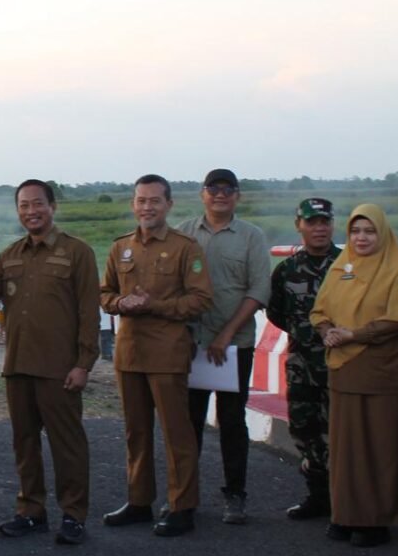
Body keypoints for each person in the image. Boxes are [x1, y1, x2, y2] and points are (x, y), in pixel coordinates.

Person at [0, 179, 99, 544]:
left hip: (60, 368)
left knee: (68, 445)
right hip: (18, 367)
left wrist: (83, 364)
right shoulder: (10, 254)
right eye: (24, 206)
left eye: (38, 204)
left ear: (53, 207)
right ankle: (31, 511)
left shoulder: (77, 252)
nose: (31, 212)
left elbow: (89, 314)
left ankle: (73, 515)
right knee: (24, 444)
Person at [100, 174, 212, 538]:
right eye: (141, 200)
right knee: (136, 432)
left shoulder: (186, 247)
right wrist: (120, 303)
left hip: (167, 354)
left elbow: (200, 300)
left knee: (177, 433)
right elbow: (104, 293)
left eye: (154, 201)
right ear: (133, 204)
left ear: (169, 205)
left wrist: (155, 305)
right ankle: (139, 501)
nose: (147, 207)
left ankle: (182, 506)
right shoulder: (120, 248)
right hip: (130, 352)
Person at [310, 204, 398, 548]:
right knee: (346, 449)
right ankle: (346, 514)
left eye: (369, 231)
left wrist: (353, 335)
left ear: (383, 233)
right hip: (344, 372)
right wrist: (327, 329)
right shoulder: (341, 267)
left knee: (380, 448)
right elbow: (321, 309)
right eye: (356, 231)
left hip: (383, 375)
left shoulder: (397, 270)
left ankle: (376, 520)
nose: (361, 238)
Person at [175, 168, 270, 525]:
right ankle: (184, 496)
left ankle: (235, 496)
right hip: (191, 344)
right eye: (213, 189)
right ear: (202, 194)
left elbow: (258, 290)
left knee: (232, 422)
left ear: (237, 196)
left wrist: (226, 334)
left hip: (233, 346)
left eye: (227, 189)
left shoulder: (251, 237)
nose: (220, 195)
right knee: (188, 424)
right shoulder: (183, 232)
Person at [266, 198, 339, 520]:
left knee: (342, 432)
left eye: (324, 222)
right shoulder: (287, 270)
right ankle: (318, 495)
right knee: (304, 430)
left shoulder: (349, 265)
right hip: (302, 366)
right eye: (312, 222)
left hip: (342, 365)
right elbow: (277, 313)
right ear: (300, 225)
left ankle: (346, 499)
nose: (319, 228)